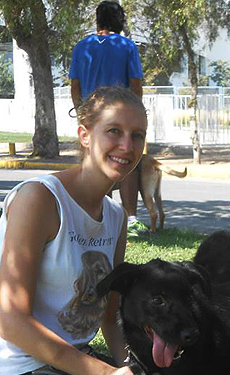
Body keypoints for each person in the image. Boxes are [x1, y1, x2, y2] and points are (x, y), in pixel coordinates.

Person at [0, 86, 188, 375]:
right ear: (85, 134)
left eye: (137, 135)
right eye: (113, 131)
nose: (126, 145)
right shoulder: (40, 199)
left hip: (68, 368)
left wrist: (134, 370)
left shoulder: (115, 219)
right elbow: (13, 324)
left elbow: (111, 315)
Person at [69, 0, 145, 233]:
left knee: (96, 163)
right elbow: (135, 84)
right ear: (120, 21)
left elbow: (75, 85)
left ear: (98, 21)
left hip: (92, 115)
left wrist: (82, 113)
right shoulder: (126, 46)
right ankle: (130, 218)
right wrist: (135, 114)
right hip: (120, 113)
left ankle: (97, 215)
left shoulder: (82, 46)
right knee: (127, 160)